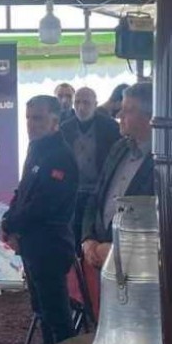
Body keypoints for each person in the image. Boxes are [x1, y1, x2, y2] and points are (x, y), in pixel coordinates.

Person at [0, 95, 79, 344]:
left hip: (51, 246)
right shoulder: (36, 148)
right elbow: (23, 191)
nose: (31, 124)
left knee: (58, 317)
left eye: (38, 118)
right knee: (42, 312)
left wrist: (9, 224)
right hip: (32, 245)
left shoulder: (61, 156)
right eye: (28, 118)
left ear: (55, 121)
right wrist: (8, 219)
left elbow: (44, 205)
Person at [80, 83, 155, 268]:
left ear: (149, 117)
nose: (119, 115)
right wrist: (88, 238)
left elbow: (157, 222)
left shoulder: (163, 162)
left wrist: (118, 249)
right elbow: (96, 196)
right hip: (99, 257)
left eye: (128, 110)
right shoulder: (119, 148)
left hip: (137, 267)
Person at [59, 87, 121, 248]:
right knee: (73, 235)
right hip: (73, 192)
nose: (81, 107)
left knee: (95, 235)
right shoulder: (64, 129)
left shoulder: (111, 128)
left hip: (100, 192)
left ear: (96, 104)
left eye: (86, 103)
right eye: (77, 102)